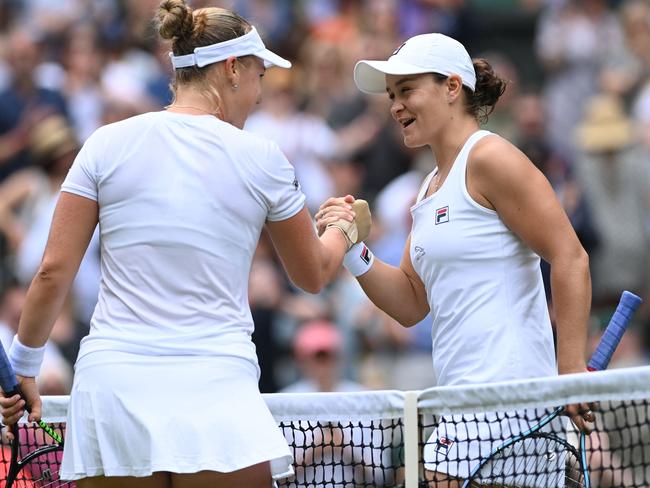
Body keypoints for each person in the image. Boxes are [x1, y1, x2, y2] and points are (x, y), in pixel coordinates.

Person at [0, 1, 370, 487]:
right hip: (215, 386)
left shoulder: (105, 143)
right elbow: (313, 274)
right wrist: (344, 228)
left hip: (116, 389)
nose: (260, 94)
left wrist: (25, 363)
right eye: (259, 74)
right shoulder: (262, 157)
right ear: (233, 70)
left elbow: (53, 270)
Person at [316, 33, 595, 487]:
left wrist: (570, 374)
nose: (394, 105)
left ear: (451, 87)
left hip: (509, 395)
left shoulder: (490, 157)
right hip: (464, 399)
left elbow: (570, 257)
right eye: (391, 95)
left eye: (407, 90)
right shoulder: (428, 187)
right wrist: (353, 248)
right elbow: (410, 304)